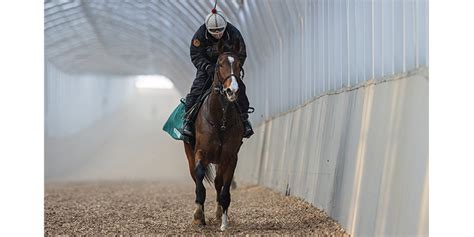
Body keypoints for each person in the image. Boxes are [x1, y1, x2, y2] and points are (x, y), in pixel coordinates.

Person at [183, 8, 254, 139]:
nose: (217, 34)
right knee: (195, 91)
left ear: (225, 26)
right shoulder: (199, 36)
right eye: (213, 32)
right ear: (207, 29)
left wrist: (233, 68)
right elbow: (195, 55)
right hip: (207, 70)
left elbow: (242, 53)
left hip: (227, 70)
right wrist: (207, 67)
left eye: (220, 30)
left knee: (240, 90)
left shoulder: (234, 33)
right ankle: (188, 122)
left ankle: (245, 121)